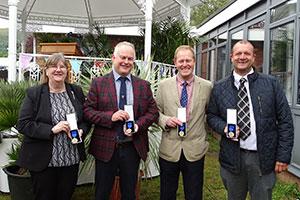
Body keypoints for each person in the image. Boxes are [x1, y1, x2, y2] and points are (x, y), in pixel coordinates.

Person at [206, 40, 294, 200]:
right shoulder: (219, 87)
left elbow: (286, 121)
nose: (242, 57)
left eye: (247, 53)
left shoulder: (271, 84)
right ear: (231, 57)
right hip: (232, 157)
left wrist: (283, 155)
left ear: (254, 57)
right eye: (238, 53)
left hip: (262, 158)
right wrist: (224, 128)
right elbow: (211, 116)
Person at [83, 41, 159, 200]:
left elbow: (153, 112)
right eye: (122, 57)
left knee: (129, 193)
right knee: (102, 193)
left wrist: (138, 125)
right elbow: (88, 112)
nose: (126, 62)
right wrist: (110, 116)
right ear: (113, 58)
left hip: (132, 147)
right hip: (105, 148)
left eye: (130, 58)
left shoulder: (143, 85)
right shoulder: (98, 83)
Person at [16, 53, 90, 200]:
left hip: (71, 159)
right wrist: (51, 129)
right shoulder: (35, 93)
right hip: (44, 162)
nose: (58, 70)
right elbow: (23, 124)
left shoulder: (76, 91)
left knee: (65, 196)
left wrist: (81, 130)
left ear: (67, 71)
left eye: (62, 66)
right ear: (47, 71)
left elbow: (86, 120)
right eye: (54, 66)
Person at [156, 45, 212, 200]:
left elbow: (210, 113)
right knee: (167, 194)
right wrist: (166, 120)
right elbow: (155, 112)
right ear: (175, 62)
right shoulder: (163, 85)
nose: (185, 64)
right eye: (181, 60)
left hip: (195, 150)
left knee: (194, 194)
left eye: (188, 60)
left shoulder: (207, 87)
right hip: (169, 149)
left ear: (194, 61)